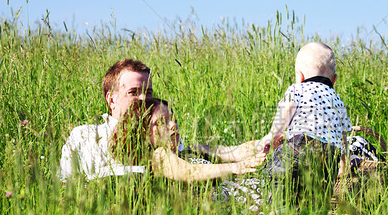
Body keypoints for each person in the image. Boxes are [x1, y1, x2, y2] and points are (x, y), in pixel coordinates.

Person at [60, 58, 266, 181]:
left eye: (148, 92)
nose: (143, 98)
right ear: (111, 99)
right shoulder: (86, 136)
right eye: (134, 92)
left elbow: (215, 151)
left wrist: (264, 142)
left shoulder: (161, 133)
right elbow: (67, 184)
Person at [263, 41, 352, 205]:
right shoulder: (337, 100)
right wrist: (343, 165)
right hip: (329, 157)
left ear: (300, 75)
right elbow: (344, 136)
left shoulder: (297, 89)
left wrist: (272, 135)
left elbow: (287, 109)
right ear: (334, 80)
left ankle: (278, 213)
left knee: (280, 178)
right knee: (317, 201)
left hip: (299, 146)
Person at [110, 97, 266, 182]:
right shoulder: (158, 157)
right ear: (143, 132)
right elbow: (189, 173)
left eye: (173, 119)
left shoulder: (192, 149)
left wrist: (266, 141)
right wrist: (236, 168)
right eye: (162, 122)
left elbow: (234, 152)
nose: (173, 126)